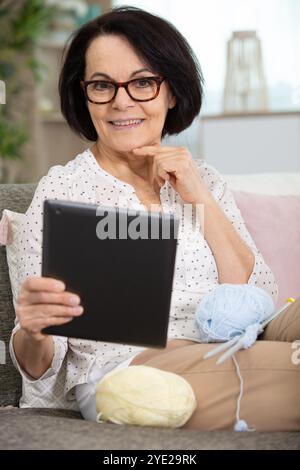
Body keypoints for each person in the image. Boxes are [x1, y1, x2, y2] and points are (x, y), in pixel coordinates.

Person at [10, 7, 300, 431]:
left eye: (143, 82)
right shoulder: (62, 192)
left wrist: (198, 193)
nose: (122, 100)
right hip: (138, 372)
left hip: (237, 340)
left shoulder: (204, 180)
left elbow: (256, 300)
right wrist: (33, 331)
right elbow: (39, 369)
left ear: (172, 92)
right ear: (83, 95)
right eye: (102, 85)